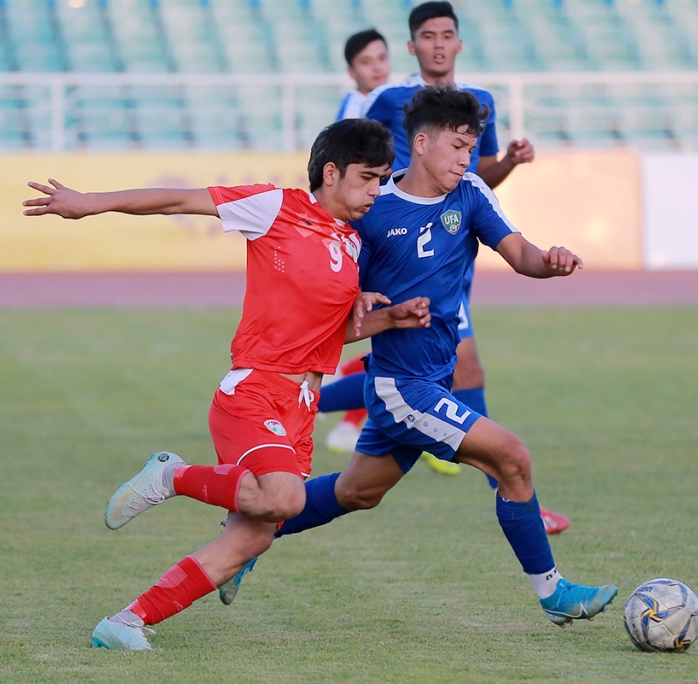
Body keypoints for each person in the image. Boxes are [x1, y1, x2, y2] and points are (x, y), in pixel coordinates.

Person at [22, 118, 433, 651]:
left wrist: (391, 318)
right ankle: (171, 476)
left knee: (255, 536)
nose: (376, 191)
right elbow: (177, 200)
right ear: (331, 173)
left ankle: (125, 621)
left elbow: (328, 333)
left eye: (381, 179)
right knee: (284, 497)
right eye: (368, 177)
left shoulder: (353, 243)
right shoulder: (275, 207)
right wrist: (90, 203)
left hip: (299, 406)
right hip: (255, 390)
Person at [230, 86, 618, 627]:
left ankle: (249, 536)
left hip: (433, 380)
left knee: (357, 492)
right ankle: (553, 593)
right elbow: (337, 305)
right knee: (512, 458)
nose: (465, 159)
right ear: (420, 142)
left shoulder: (472, 193)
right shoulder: (372, 208)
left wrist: (548, 262)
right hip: (401, 387)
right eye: (457, 147)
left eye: (471, 148)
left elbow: (521, 254)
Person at [319, 1, 570, 535]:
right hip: (398, 254)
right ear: (413, 46)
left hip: (450, 258)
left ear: (458, 43)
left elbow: (476, 178)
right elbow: (353, 168)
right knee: (445, 369)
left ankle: (305, 421)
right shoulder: (388, 100)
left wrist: (509, 163)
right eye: (428, 35)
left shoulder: (479, 105)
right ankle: (507, 482)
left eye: (446, 34)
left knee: (361, 485)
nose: (438, 44)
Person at [335, 28, 390, 121]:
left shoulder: (392, 97)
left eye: (382, 58)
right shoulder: (352, 116)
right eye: (365, 62)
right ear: (351, 71)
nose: (377, 67)